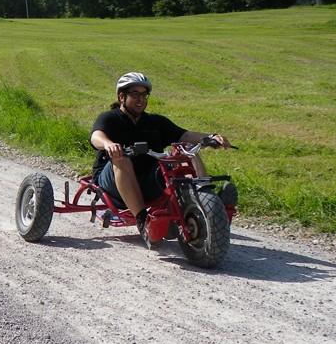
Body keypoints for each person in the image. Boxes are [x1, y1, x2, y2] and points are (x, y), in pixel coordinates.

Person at [89, 72, 232, 247]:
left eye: (144, 94)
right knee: (123, 159)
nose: (141, 99)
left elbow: (185, 135)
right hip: (113, 185)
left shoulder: (155, 122)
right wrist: (108, 144)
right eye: (135, 94)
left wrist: (211, 137)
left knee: (186, 148)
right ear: (121, 96)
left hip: (148, 181)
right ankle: (143, 222)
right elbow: (96, 136)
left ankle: (204, 197)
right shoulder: (110, 118)